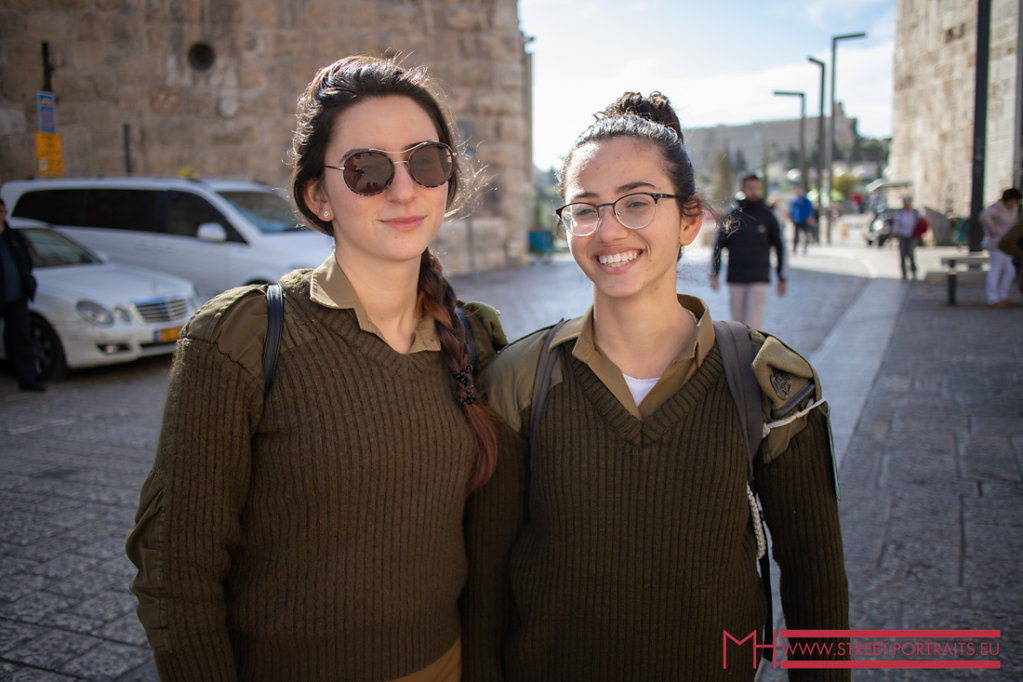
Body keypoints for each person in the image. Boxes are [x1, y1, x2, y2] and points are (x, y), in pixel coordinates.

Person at [126, 55, 510, 681]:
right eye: (367, 169)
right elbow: (175, 570)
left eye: (426, 161)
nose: (404, 189)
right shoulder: (239, 339)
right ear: (318, 195)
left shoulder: (474, 339)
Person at [463, 92, 849, 681]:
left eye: (637, 203)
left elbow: (817, 585)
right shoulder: (520, 378)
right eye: (585, 209)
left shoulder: (770, 384)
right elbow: (487, 588)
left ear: (690, 219)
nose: (609, 231)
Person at [711, 174, 787, 328]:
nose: (754, 191)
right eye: (750, 188)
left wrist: (782, 277)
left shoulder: (768, 216)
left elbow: (780, 247)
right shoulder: (732, 215)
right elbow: (718, 245)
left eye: (757, 188)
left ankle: (752, 352)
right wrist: (714, 273)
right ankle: (738, 352)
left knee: (754, 325)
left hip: (759, 277)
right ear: (743, 189)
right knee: (736, 325)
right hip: (736, 276)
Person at [0, 198, 43, 392]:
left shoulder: (13, 236)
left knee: (22, 338)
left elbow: (26, 260)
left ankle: (28, 380)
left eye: (2, 210)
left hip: (16, 296)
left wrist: (27, 280)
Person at [979, 187, 1022, 307]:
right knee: (996, 270)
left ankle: (1003, 296)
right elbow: (984, 216)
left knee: (1010, 271)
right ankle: (993, 298)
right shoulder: (997, 208)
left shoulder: (1008, 210)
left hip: (1006, 245)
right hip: (996, 244)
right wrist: (994, 231)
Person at [890, 195, 923, 280]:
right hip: (902, 236)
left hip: (912, 236)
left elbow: (921, 221)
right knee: (902, 254)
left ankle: (913, 270)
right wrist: (893, 234)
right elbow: (896, 225)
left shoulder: (915, 212)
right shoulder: (900, 213)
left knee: (911, 253)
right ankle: (904, 273)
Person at [789, 185, 817, 255]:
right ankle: (794, 248)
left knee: (805, 234)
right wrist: (792, 218)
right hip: (797, 219)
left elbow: (810, 210)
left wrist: (810, 217)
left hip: (805, 219)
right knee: (796, 235)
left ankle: (804, 248)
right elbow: (792, 210)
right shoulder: (795, 201)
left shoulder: (807, 200)